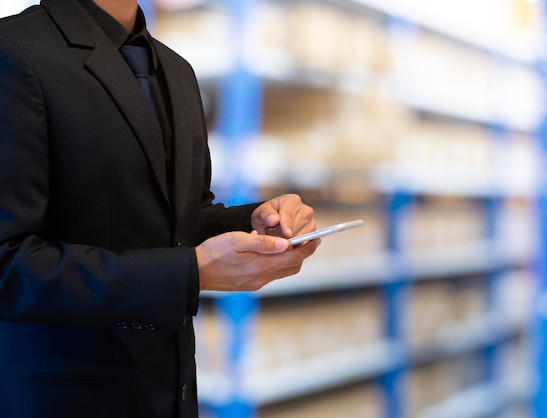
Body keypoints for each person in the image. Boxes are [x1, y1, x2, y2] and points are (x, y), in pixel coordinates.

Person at [0, 0, 320, 416]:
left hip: (171, 395)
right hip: (66, 400)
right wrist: (191, 273)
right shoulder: (14, 51)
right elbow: (8, 263)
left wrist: (258, 222)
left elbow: (182, 219)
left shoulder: (176, 71)